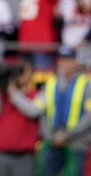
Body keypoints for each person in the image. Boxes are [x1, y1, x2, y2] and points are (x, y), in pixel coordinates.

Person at [36, 46, 91, 176]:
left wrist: (68, 135)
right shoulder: (51, 83)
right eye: (61, 60)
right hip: (52, 140)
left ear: (75, 62)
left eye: (68, 60)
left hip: (77, 142)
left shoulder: (86, 84)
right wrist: (49, 135)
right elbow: (42, 112)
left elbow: (89, 116)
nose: (63, 63)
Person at [0, 62, 43, 176]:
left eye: (25, 73)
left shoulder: (37, 95)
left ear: (32, 75)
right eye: (19, 73)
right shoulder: (2, 95)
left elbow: (33, 111)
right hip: (0, 154)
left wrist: (13, 93)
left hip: (24, 155)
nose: (21, 76)